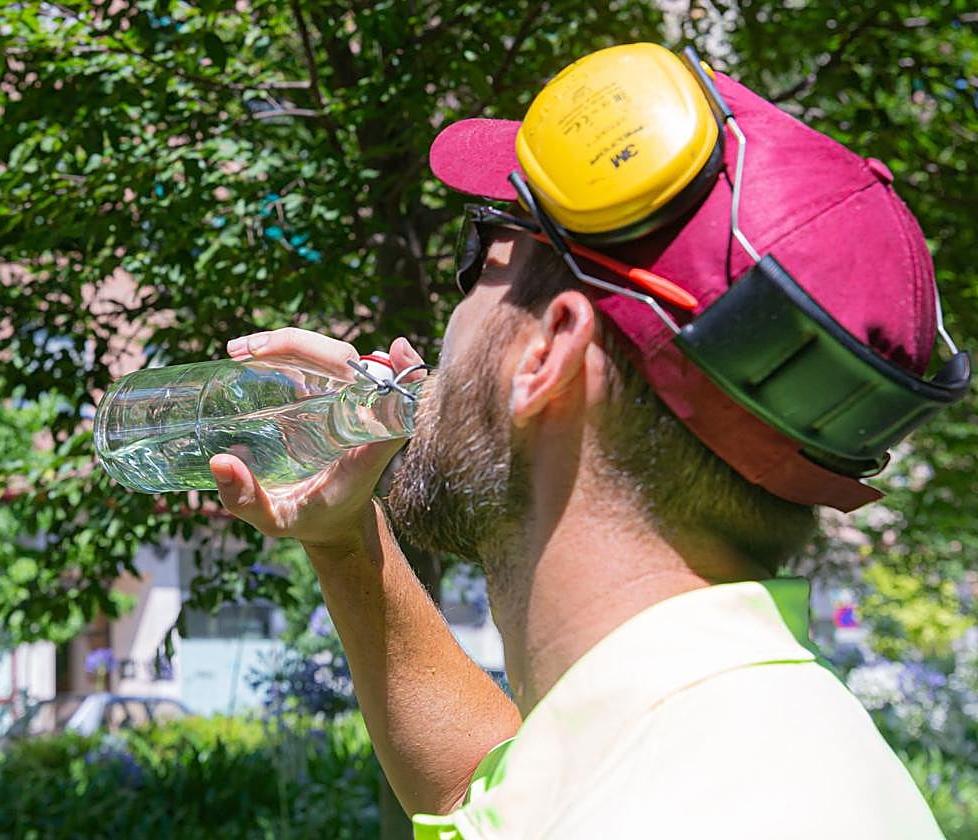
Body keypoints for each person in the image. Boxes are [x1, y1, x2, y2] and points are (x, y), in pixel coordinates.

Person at [210, 44, 955, 838]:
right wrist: (345, 542)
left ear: (547, 353)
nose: (447, 324)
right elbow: (485, 795)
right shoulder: (731, 735)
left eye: (479, 257)